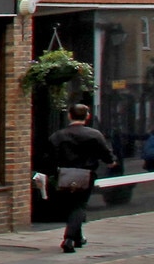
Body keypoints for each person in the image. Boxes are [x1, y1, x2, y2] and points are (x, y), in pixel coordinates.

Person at [47, 102, 118, 252]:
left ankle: (78, 238)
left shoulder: (58, 136)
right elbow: (105, 153)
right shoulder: (94, 135)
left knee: (71, 205)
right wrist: (111, 162)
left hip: (64, 174)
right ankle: (69, 238)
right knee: (79, 205)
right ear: (87, 116)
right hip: (86, 174)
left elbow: (50, 157)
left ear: (69, 116)